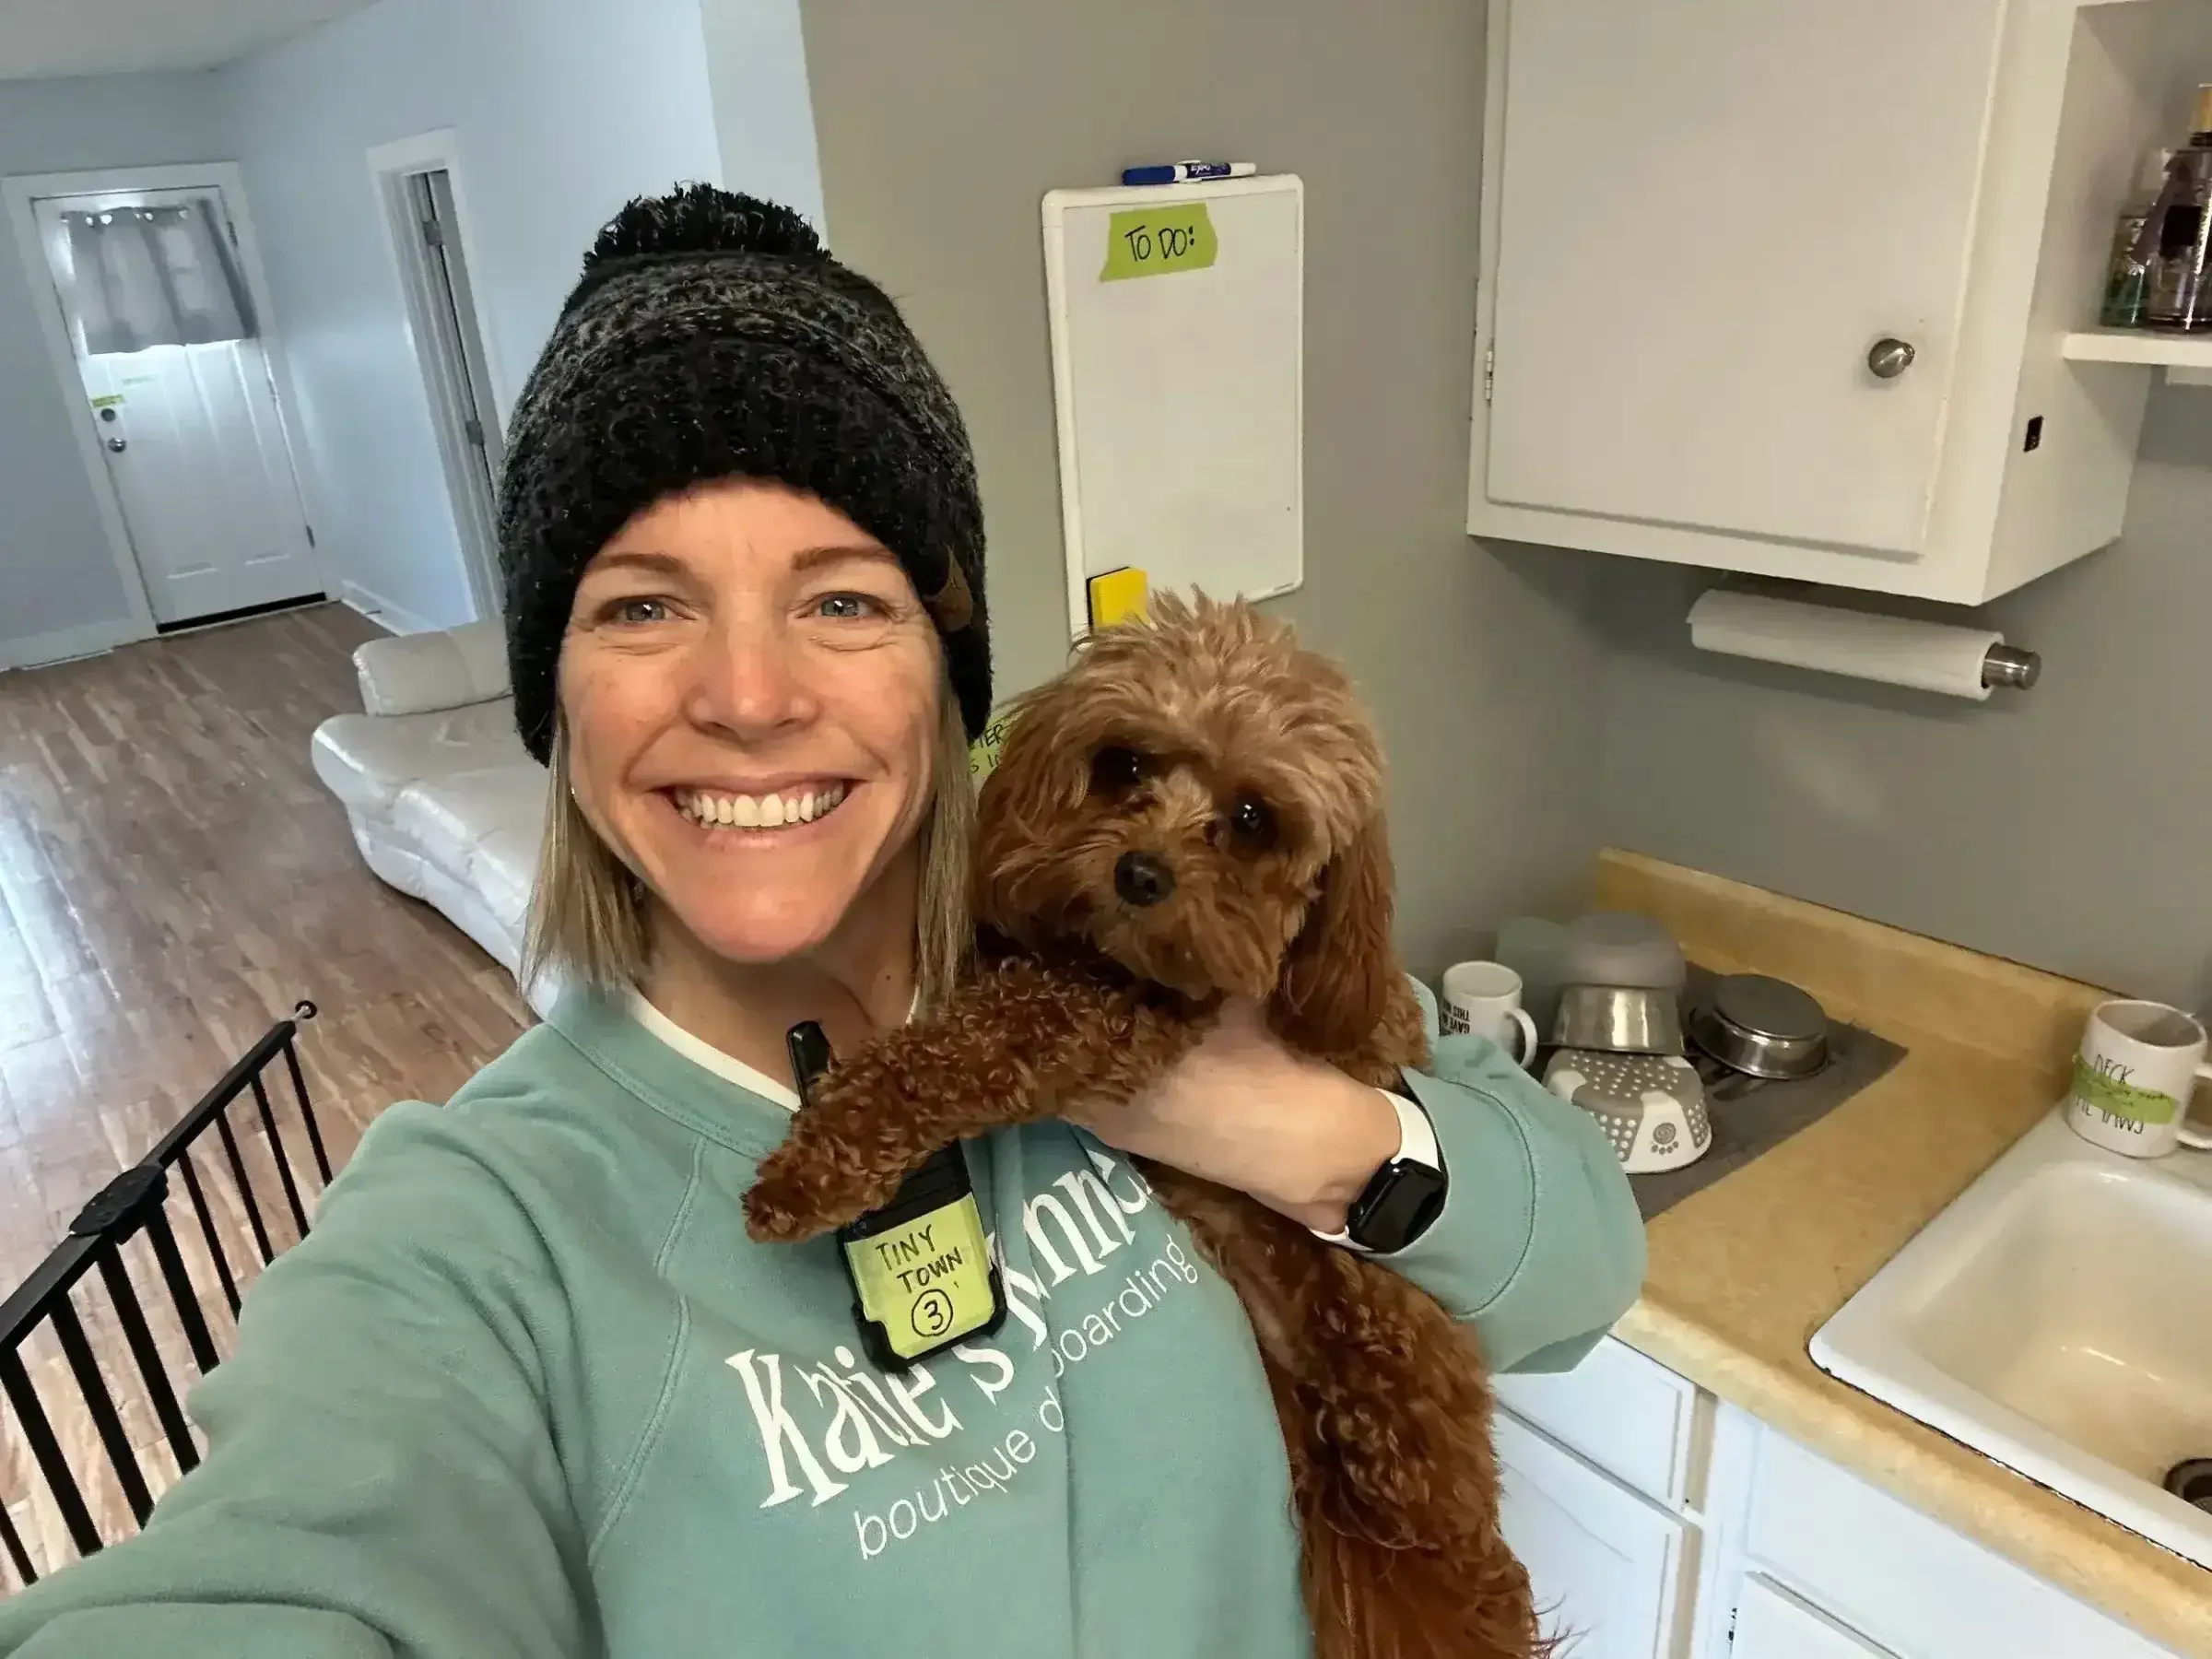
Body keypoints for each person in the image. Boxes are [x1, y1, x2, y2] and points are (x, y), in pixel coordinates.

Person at [0, 186, 1643, 1658]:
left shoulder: (1195, 978)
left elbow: (1581, 1264)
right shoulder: (482, 1237)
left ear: (949, 677)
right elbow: (290, 1569)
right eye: (643, 605)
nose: (749, 696)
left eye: (843, 597)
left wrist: (1279, 1120)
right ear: (556, 696)